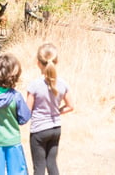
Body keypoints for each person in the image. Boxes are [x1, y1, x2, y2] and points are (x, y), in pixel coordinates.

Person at [26, 43, 74, 175]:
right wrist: (57, 111)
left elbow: (27, 111)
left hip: (39, 130)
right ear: (56, 61)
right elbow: (71, 106)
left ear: (38, 63)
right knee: (52, 164)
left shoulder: (34, 85)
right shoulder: (63, 83)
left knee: (39, 167)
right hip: (55, 128)